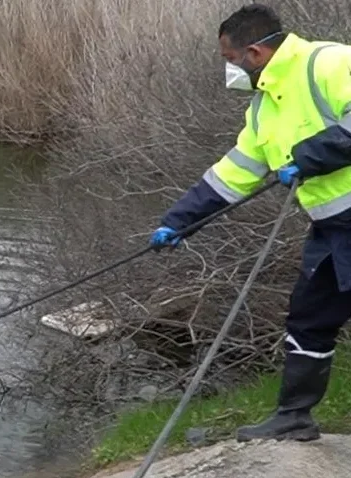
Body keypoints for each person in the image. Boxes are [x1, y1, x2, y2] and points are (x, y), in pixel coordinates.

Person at [149, 4, 351, 443]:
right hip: (333, 230)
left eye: (229, 59)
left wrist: (310, 157)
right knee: (309, 319)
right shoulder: (262, 110)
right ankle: (295, 418)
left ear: (255, 53)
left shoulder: (330, 63)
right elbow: (232, 174)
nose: (230, 69)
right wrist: (179, 223)